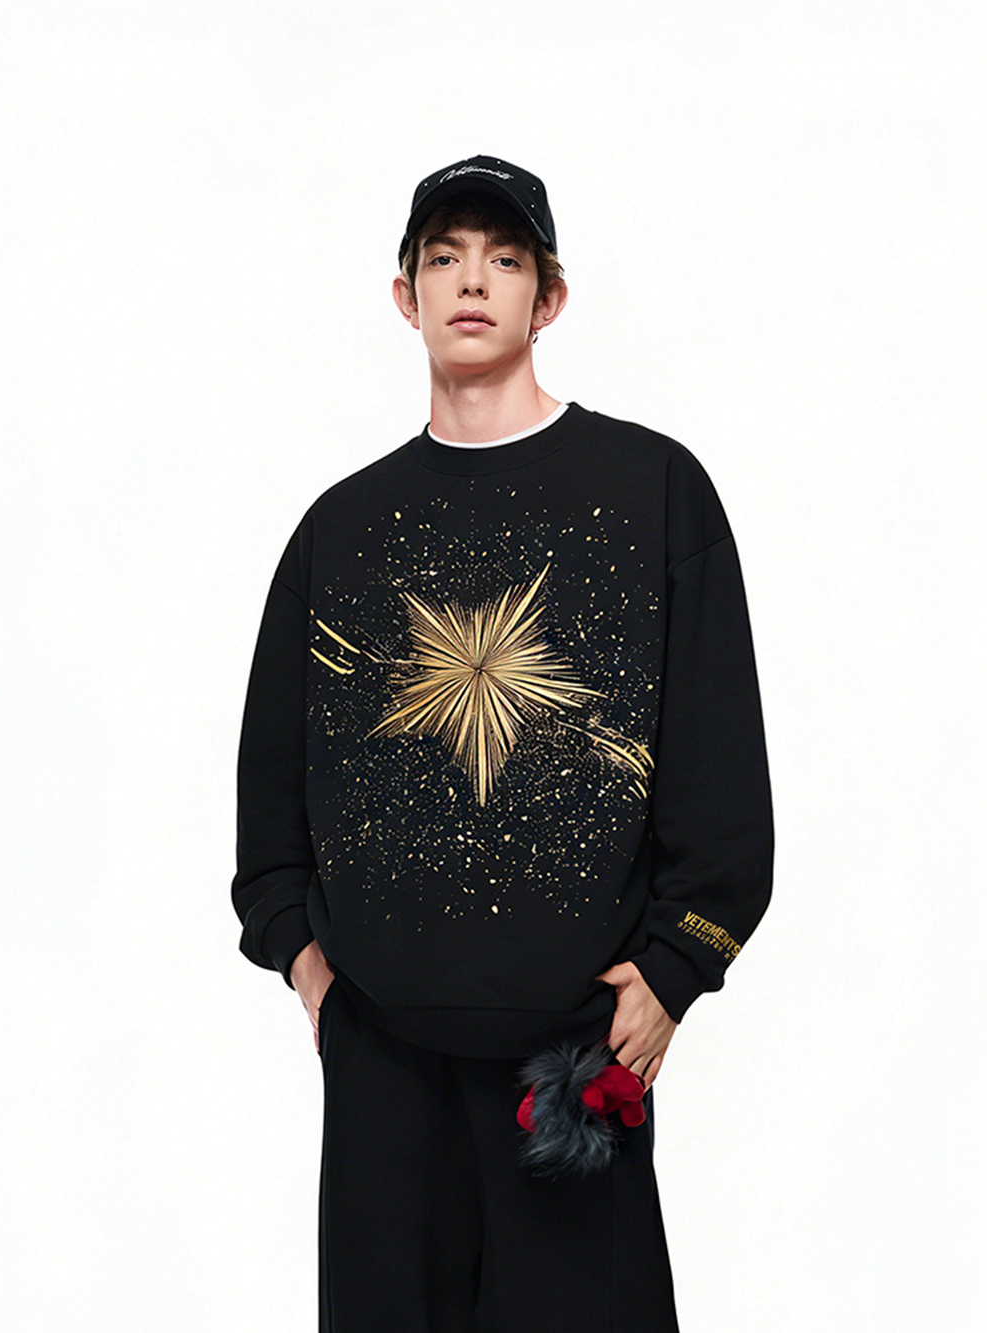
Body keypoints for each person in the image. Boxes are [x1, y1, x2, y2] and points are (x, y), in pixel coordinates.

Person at [231, 154, 774, 1332]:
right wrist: (311, 974)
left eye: (504, 258)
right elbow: (268, 795)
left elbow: (720, 765)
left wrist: (677, 968)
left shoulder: (653, 490)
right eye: (444, 257)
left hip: (572, 1060)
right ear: (405, 296)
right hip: (381, 1067)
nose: (472, 281)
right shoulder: (339, 528)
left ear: (548, 297)